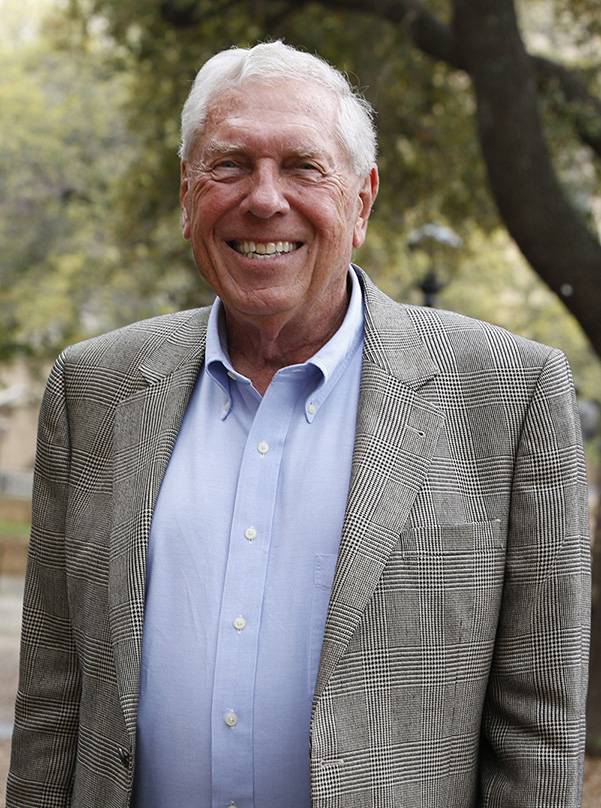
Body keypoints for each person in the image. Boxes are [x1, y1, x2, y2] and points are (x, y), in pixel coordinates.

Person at [7, 41, 590, 808]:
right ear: (187, 197)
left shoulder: (507, 396)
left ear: (361, 201)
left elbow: (538, 728)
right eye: (229, 165)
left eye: (304, 167)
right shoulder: (94, 390)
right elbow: (54, 700)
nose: (263, 199)